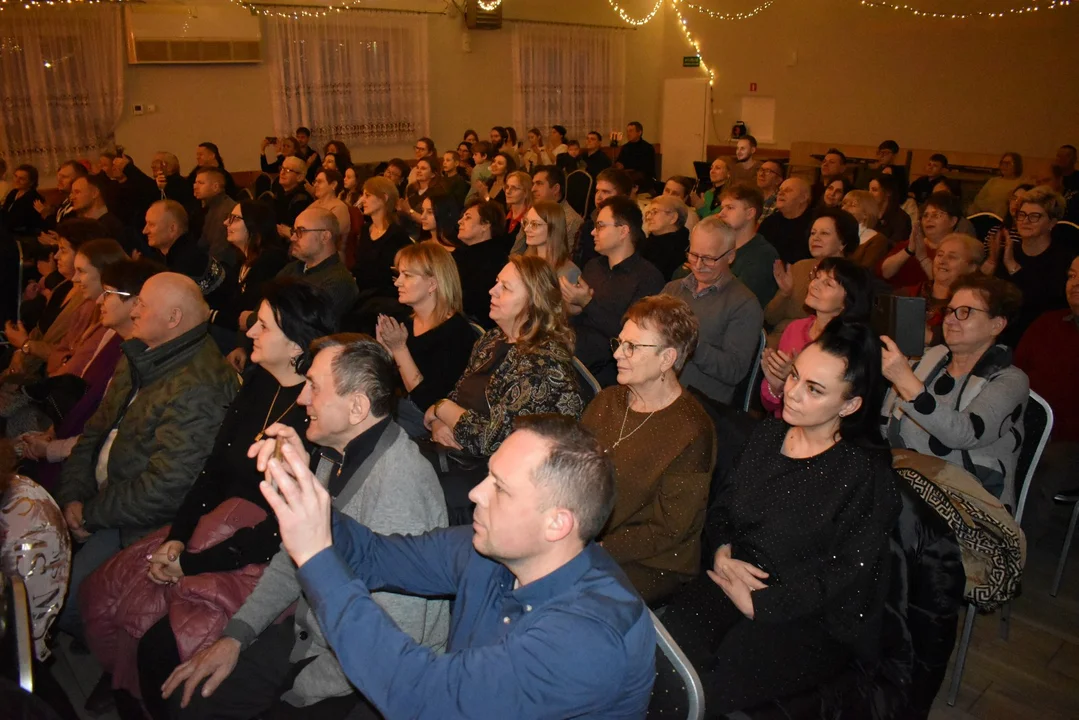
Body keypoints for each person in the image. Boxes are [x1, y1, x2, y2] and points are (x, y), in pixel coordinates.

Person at [248, 413, 656, 718]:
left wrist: (317, 557)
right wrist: (302, 487)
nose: (477, 493)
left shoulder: (586, 639)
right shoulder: (491, 549)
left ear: (557, 524)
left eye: (500, 488)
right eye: (487, 476)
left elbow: (426, 697)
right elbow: (373, 556)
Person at [158, 334, 449, 719]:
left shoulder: (400, 488)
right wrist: (237, 635)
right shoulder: (334, 453)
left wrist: (296, 690)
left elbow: (390, 644)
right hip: (313, 637)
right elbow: (293, 556)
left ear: (357, 407)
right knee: (189, 699)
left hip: (357, 680)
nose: (301, 399)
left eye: (313, 386)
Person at [79, 280, 334, 712]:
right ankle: (127, 684)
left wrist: (192, 562)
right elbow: (211, 472)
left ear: (296, 345)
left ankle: (142, 688)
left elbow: (277, 534)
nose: (250, 331)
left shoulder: (315, 415)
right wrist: (178, 537)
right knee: (106, 594)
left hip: (256, 553)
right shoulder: (257, 385)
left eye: (263, 326)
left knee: (161, 639)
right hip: (212, 528)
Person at [655, 319, 900, 715]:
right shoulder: (769, 435)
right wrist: (721, 550)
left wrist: (762, 606)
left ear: (850, 405)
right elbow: (724, 505)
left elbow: (845, 578)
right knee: (662, 661)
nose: (792, 393)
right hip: (734, 576)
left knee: (710, 689)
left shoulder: (864, 476)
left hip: (807, 617)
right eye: (795, 377)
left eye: (814, 390)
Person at [53, 273, 240, 641]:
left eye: (143, 303)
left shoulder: (200, 385)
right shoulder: (140, 354)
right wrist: (73, 494)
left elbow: (167, 489)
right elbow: (95, 433)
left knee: (63, 602)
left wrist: (90, 513)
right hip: (102, 499)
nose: (133, 309)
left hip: (141, 524)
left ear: (173, 319)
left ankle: (107, 653)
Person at [581, 295, 714, 605]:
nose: (617, 354)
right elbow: (573, 465)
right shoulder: (608, 401)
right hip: (588, 534)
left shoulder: (692, 431)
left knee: (571, 602)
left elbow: (669, 529)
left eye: (632, 347)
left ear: (667, 359)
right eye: (620, 342)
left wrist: (597, 549)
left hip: (652, 561)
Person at [881, 273, 1028, 507]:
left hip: (968, 508)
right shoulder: (926, 362)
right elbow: (884, 426)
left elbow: (964, 433)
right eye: (950, 311)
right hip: (906, 490)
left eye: (965, 312)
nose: (949, 320)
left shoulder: (1011, 380)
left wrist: (907, 382)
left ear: (996, 324)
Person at [16, 260, 161, 491]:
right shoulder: (117, 340)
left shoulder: (141, 359)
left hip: (96, 472)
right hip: (75, 441)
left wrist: (51, 449)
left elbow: (111, 437)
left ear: (136, 302)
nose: (100, 300)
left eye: (109, 293)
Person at [424, 255, 584, 461]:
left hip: (503, 473)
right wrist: (439, 422)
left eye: (506, 288)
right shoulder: (492, 339)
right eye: (497, 282)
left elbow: (491, 441)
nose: (492, 290)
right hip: (456, 454)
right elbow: (457, 394)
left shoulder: (544, 363)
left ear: (533, 302)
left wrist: (441, 408)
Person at [563, 195, 665, 387]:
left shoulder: (647, 278)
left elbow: (632, 337)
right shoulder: (593, 266)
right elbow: (579, 319)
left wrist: (587, 304)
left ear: (623, 231)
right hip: (574, 359)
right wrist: (572, 308)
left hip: (610, 373)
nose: (593, 232)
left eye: (601, 226)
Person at [375, 241, 474, 438]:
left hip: (427, 422)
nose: (397, 282)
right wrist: (383, 353)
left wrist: (399, 349)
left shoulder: (456, 332)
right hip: (394, 408)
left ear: (432, 283)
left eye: (408, 275)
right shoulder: (404, 321)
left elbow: (429, 401)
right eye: (399, 274)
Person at [661, 215, 763, 407]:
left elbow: (734, 371)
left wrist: (691, 343)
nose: (698, 265)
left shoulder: (744, 304)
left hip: (699, 405)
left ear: (730, 256)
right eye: (693, 255)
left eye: (708, 258)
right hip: (658, 389)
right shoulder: (673, 289)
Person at [1014, 256, 1079, 542]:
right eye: (1072, 275)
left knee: (1041, 463)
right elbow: (1015, 376)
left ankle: (1014, 552)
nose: (1075, 284)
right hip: (1025, 424)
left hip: (1071, 443)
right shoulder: (1047, 323)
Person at [760, 258, 875, 417]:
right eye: (817, 277)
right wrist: (777, 386)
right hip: (784, 423)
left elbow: (835, 411)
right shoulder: (795, 328)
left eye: (828, 284)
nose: (814, 285)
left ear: (847, 301)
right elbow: (770, 406)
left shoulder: (851, 344)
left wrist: (794, 377)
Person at [988, 186, 1079, 344]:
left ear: (1052, 223)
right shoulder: (1010, 251)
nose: (1025, 221)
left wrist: (1013, 267)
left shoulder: (1063, 259)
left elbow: (1043, 304)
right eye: (1021, 215)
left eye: (1034, 216)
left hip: (1044, 337)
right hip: (1004, 333)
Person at [766, 207, 861, 346]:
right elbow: (770, 318)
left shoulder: (849, 278)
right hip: (777, 341)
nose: (815, 238)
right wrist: (784, 293)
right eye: (813, 233)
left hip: (817, 347)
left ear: (843, 243)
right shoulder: (800, 267)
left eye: (824, 233)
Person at [209, 200, 289, 339]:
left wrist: (209, 314)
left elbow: (245, 313)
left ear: (254, 225)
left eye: (234, 218)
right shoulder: (242, 261)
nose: (226, 222)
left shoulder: (271, 261)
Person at [897, 233, 984, 347]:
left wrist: (932, 338)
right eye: (939, 255)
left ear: (972, 268)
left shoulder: (973, 308)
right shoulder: (906, 294)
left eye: (952, 257)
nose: (942, 261)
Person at [278, 207, 360, 325]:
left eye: (301, 231)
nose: (293, 238)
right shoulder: (292, 268)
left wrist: (251, 320)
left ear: (325, 236)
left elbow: (304, 326)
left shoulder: (339, 282)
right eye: (293, 232)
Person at [351, 176, 412, 331]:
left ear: (384, 198)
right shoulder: (365, 230)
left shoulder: (397, 234)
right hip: (365, 297)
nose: (362, 200)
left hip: (387, 301)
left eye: (368, 195)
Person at [143, 200, 230, 308]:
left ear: (172, 229)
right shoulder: (180, 254)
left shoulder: (188, 263)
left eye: (151, 225)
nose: (145, 231)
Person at [879, 191, 963, 290]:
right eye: (925, 215)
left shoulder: (960, 252)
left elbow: (945, 287)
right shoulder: (909, 245)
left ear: (953, 221)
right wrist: (909, 251)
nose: (929, 219)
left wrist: (923, 258)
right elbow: (884, 273)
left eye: (936, 215)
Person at [720, 183, 780, 309]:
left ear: (750, 214)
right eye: (722, 208)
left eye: (730, 208)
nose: (722, 213)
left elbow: (738, 301)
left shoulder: (763, 255)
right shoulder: (721, 247)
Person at [454, 199, 512, 328]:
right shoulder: (462, 252)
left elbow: (474, 303)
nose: (459, 221)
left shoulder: (495, 260)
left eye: (467, 218)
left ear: (485, 225)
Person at [573, 167, 633, 268]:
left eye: (605, 192)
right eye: (597, 191)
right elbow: (577, 262)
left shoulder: (632, 229)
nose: (599, 197)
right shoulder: (588, 226)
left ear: (622, 196)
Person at [521, 201, 581, 284]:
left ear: (553, 228)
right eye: (526, 222)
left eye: (534, 224)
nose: (526, 229)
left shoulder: (569, 272)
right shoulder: (526, 261)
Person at [759, 176, 814, 264]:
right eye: (780, 190)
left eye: (788, 190)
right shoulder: (770, 222)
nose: (780, 193)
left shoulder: (816, 223)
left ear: (803, 198)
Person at [192, 167, 239, 269]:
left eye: (201, 183)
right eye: (195, 182)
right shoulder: (213, 207)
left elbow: (219, 252)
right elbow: (202, 244)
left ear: (215, 187)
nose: (195, 186)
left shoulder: (226, 210)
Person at [68, 174, 128, 251]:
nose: (72, 197)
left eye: (77, 192)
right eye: (72, 193)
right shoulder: (81, 224)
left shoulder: (110, 226)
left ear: (94, 193)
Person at [530, 165, 583, 250]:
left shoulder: (570, 220)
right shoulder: (533, 213)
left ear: (555, 189)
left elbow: (563, 259)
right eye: (533, 184)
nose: (533, 189)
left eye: (539, 184)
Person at [640, 195, 690, 280]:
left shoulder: (682, 251)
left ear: (673, 218)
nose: (648, 217)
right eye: (648, 213)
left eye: (655, 212)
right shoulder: (645, 244)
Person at [841, 189, 890, 269]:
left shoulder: (877, 240)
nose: (844, 208)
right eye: (844, 204)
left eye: (853, 205)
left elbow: (865, 272)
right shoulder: (838, 233)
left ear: (866, 214)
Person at [969, 152, 1025, 217]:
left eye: (1007, 163)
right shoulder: (993, 180)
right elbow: (978, 199)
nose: (1004, 166)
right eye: (1002, 163)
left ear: (1016, 166)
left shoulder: (1020, 184)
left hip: (1001, 218)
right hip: (982, 214)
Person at [270, 156, 314, 235]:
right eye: (282, 168)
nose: (282, 173)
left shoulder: (301, 199)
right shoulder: (279, 191)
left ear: (299, 177)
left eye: (288, 170)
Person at [1, 164, 46, 236]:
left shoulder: (34, 198)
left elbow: (21, 222)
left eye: (22, 179)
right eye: (15, 176)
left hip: (23, 235)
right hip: (8, 231)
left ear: (31, 182)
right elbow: (5, 211)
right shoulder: (13, 192)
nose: (17, 180)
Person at [869, 173, 912, 247]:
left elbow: (897, 245)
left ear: (888, 192)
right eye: (869, 189)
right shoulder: (869, 213)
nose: (869, 193)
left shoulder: (902, 218)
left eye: (874, 190)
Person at [615, 121, 656, 185]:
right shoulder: (625, 147)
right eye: (627, 131)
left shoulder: (647, 148)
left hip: (643, 180)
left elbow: (646, 169)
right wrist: (618, 165)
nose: (628, 134)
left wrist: (628, 170)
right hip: (627, 178)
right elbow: (619, 161)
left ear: (639, 133)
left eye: (631, 131)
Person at [503, 170, 532, 237]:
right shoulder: (505, 215)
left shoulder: (530, 219)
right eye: (507, 187)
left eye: (514, 188)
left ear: (526, 193)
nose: (508, 191)